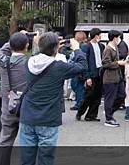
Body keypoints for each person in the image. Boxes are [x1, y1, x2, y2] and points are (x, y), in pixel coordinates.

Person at [19, 32, 86, 165]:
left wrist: (48, 45)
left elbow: (40, 55)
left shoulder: (29, 62)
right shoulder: (59, 67)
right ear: (56, 49)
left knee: (26, 159)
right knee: (46, 159)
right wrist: (77, 49)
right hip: (48, 118)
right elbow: (82, 67)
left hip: (27, 116)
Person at [0, 33, 29, 165]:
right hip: (25, 108)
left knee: (5, 140)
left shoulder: (2, 61)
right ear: (27, 46)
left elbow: (1, 51)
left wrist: (14, 40)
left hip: (8, 107)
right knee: (27, 141)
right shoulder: (29, 62)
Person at [76, 29, 104, 122]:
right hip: (91, 73)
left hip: (99, 73)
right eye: (99, 35)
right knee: (89, 95)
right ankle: (80, 112)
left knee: (97, 96)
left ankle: (91, 115)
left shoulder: (101, 46)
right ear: (95, 36)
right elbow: (85, 62)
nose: (100, 37)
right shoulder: (86, 46)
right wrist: (87, 77)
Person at [101, 30, 126, 127]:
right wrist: (118, 63)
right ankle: (108, 118)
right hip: (110, 78)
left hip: (117, 76)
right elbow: (105, 63)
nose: (119, 39)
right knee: (109, 98)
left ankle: (109, 112)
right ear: (114, 38)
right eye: (118, 37)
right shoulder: (108, 49)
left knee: (121, 95)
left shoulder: (115, 47)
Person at [69, 31, 88, 111]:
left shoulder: (82, 47)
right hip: (76, 69)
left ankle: (80, 103)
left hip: (79, 70)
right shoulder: (79, 46)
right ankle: (78, 102)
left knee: (78, 87)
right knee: (76, 86)